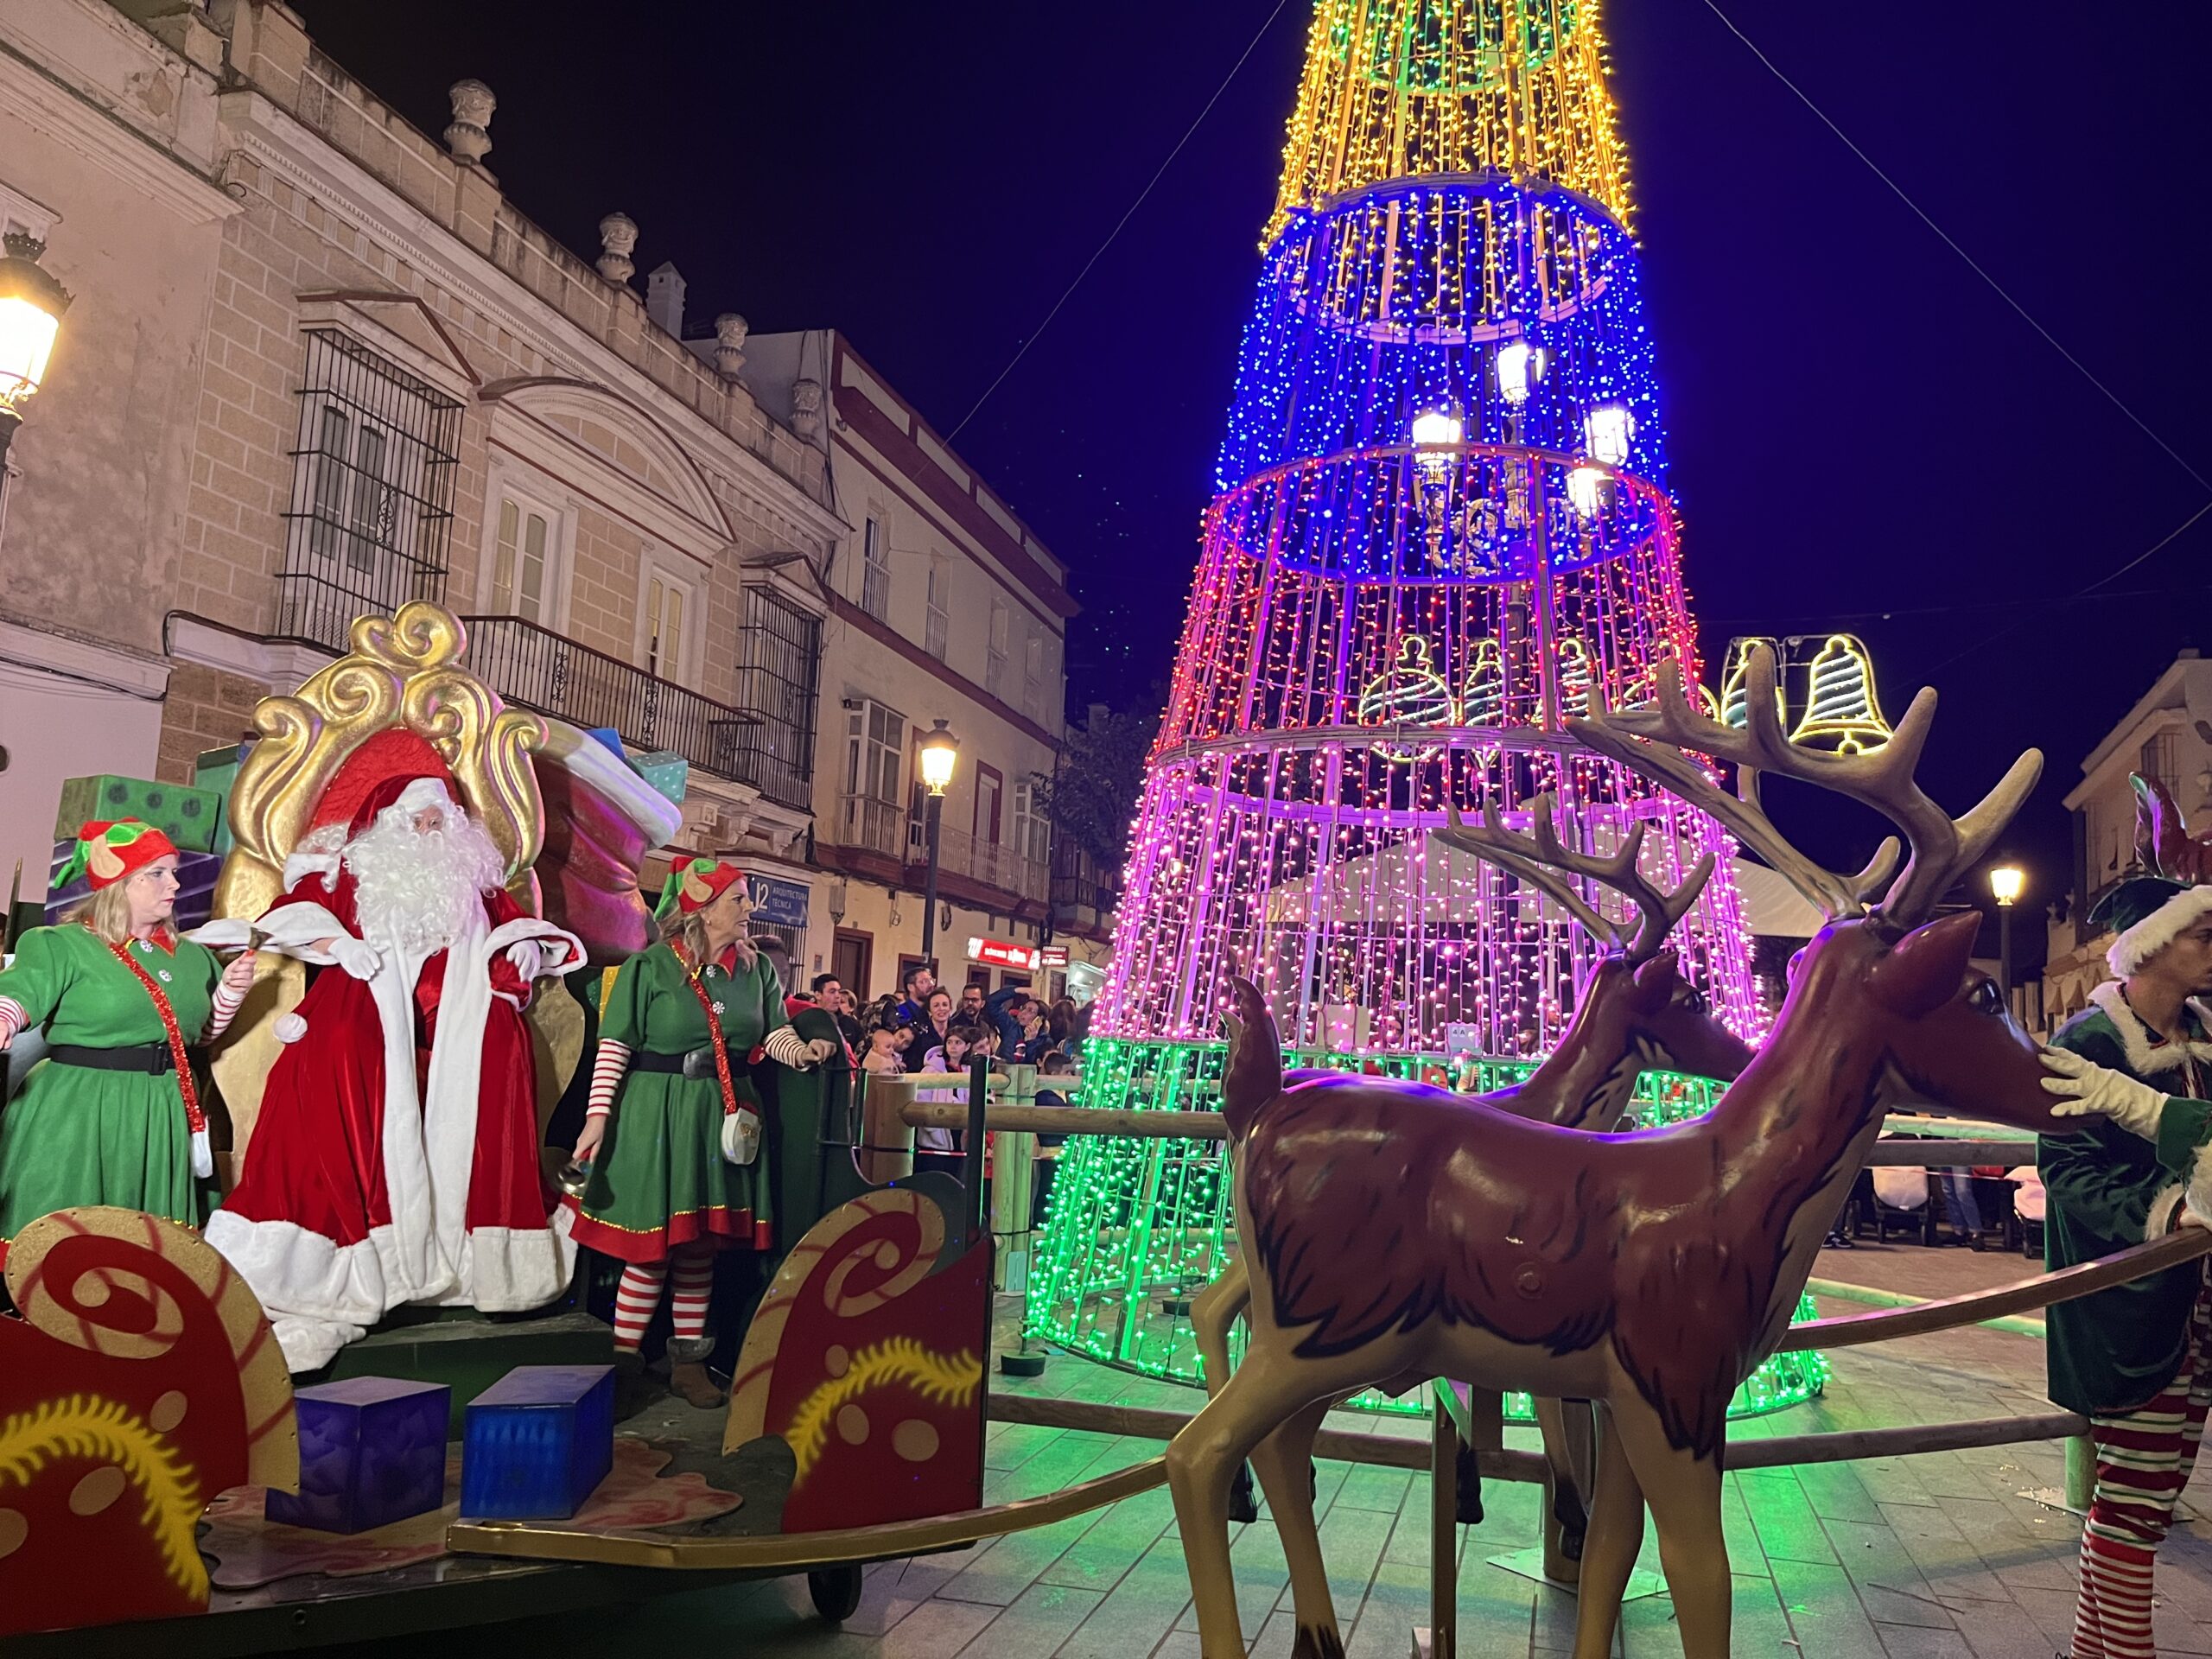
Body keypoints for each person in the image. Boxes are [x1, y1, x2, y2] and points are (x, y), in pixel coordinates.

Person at [202, 776, 587, 1372]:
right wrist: (337, 943)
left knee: (493, 1066)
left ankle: (466, 1268)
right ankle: (347, 1263)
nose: (431, 831)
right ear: (387, 825)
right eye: (419, 820)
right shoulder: (349, 875)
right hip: (368, 1036)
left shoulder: (475, 887)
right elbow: (292, 919)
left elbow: (521, 934)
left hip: (453, 1047)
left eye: (440, 821)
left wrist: (521, 952)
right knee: (334, 1061)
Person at [567, 859, 835, 1408]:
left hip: (724, 1114)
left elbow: (771, 1034)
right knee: (649, 1252)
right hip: (655, 1114)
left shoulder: (758, 969)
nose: (748, 908)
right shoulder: (650, 968)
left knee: (698, 1250)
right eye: (737, 899)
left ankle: (689, 1364)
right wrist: (598, 1118)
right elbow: (615, 1046)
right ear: (703, 908)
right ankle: (623, 1362)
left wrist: (803, 1052)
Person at [2037, 867, 2212, 1659]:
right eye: (2201, 935)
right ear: (2147, 949)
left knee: (2156, 1489)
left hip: (2195, 1303)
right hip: (2130, 1303)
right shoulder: (2088, 1044)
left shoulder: (2204, 1036)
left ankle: (2092, 1649)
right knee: (2135, 1499)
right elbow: (2067, 1173)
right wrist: (2168, 1212)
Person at [0, 821, 256, 1262]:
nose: (174, 883)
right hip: (80, 1106)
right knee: (65, 1239)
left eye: (173, 872)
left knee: (147, 1250)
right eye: (156, 873)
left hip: (163, 1107)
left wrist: (231, 992)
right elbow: (21, 996)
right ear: (118, 883)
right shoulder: (60, 944)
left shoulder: (194, 956)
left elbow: (200, 1036)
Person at [914, 1023, 976, 1179]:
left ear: (967, 1046)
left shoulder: (970, 1071)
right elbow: (922, 1099)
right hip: (936, 1134)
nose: (953, 1047)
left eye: (958, 1042)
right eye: (949, 1042)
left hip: (960, 1132)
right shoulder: (931, 1070)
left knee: (955, 1176)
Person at [905, 986, 955, 1073]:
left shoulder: (958, 1031)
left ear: (950, 1008)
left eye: (945, 1005)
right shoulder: (919, 1033)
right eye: (936, 1005)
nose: (941, 1009)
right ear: (929, 1010)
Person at [893, 963, 936, 1028]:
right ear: (911, 987)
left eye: (931, 980)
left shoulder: (931, 1012)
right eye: (924, 981)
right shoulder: (901, 1013)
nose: (931, 985)